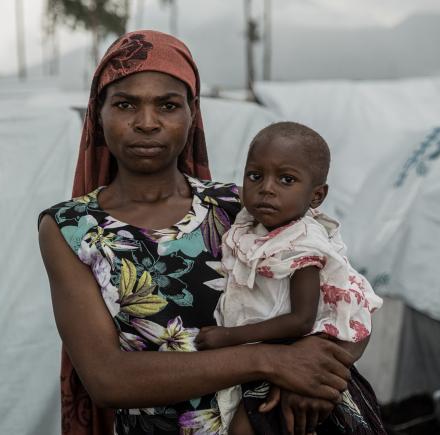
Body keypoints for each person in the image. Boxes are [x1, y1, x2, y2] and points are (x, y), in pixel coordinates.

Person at [38, 30, 382, 435]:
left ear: (192, 112)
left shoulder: (242, 206)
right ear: (99, 112)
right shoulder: (71, 229)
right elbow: (108, 378)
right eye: (126, 104)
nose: (146, 123)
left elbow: (349, 303)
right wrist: (272, 362)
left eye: (167, 105)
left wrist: (314, 369)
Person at [195, 122, 384, 435]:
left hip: (297, 356)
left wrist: (229, 337)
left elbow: (300, 320)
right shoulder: (254, 226)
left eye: (286, 179)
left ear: (317, 196)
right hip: (267, 357)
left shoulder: (302, 245)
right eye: (255, 176)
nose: (267, 188)